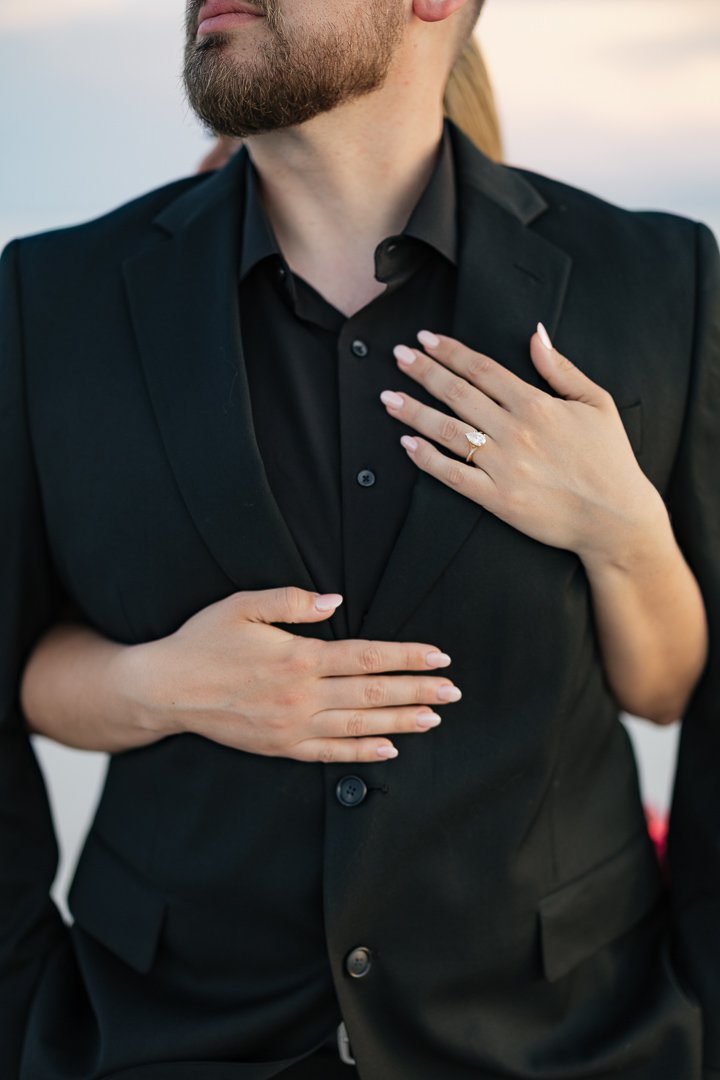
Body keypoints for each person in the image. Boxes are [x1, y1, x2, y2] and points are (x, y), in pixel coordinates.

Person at [1, 0, 718, 1077]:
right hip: (159, 1040)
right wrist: (162, 687)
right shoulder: (50, 300)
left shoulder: (660, 283)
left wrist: (620, 528)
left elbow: (676, 694)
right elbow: (12, 665)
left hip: (571, 1043)